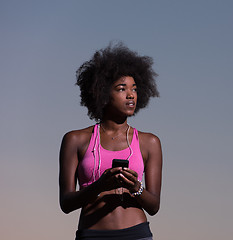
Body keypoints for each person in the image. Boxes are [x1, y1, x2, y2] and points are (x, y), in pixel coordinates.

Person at [59, 43, 162, 240]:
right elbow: (66, 203)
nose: (131, 95)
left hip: (137, 234)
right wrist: (99, 186)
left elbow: (154, 206)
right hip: (91, 235)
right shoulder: (75, 140)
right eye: (122, 89)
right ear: (103, 92)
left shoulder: (150, 143)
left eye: (134, 88)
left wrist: (135, 187)